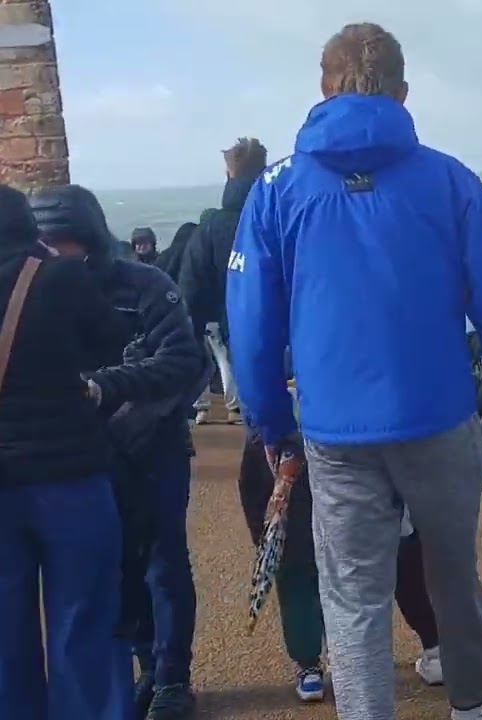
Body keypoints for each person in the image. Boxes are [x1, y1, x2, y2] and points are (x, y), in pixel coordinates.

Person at [226, 22, 482, 720]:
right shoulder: (450, 179)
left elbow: (251, 323)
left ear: (324, 88)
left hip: (334, 429)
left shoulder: (275, 190)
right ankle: (473, 705)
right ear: (402, 92)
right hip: (440, 414)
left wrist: (272, 425)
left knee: (354, 595)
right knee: (453, 575)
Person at [31, 184, 210, 720]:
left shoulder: (146, 284)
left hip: (151, 445)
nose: (55, 254)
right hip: (81, 454)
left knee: (162, 562)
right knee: (107, 570)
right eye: (44, 244)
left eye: (64, 243)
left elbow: (183, 360)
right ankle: (146, 668)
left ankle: (172, 677)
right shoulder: (37, 291)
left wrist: (107, 385)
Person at [0, 185, 133, 720]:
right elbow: (110, 341)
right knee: (83, 620)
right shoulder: (57, 275)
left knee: (5, 630)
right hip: (68, 471)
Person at [239, 433, 448, 703]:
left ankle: (310, 667)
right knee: (395, 544)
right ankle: (434, 648)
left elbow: (259, 395)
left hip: (293, 436)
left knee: (297, 560)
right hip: (367, 431)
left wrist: (269, 429)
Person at [180, 138, 268, 425]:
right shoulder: (279, 216)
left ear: (229, 174)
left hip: (227, 324)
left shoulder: (211, 228)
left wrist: (189, 330)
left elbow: (191, 285)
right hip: (279, 332)